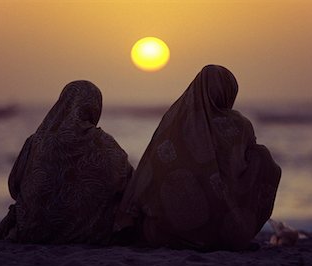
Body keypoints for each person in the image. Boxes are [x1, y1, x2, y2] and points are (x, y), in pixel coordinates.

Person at [114, 65, 281, 251]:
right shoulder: (240, 126)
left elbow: (152, 167)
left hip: (169, 230)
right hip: (225, 227)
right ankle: (235, 226)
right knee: (262, 157)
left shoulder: (175, 123)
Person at [0, 81, 133, 244]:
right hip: (86, 235)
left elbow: (14, 186)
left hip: (32, 232)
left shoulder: (36, 141)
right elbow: (127, 183)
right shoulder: (103, 143)